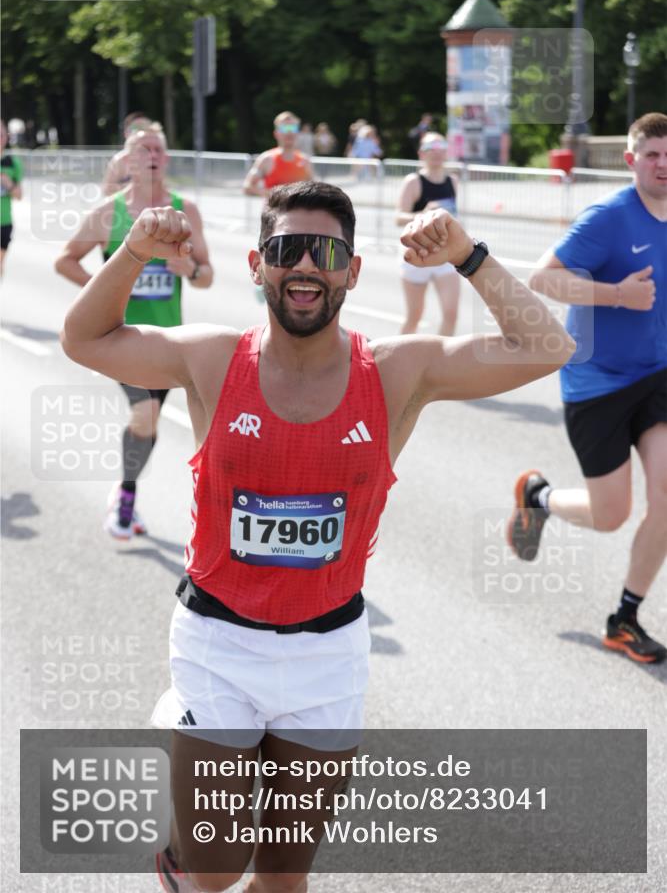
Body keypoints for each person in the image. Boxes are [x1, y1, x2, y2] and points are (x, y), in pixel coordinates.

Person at [60, 178, 572, 892]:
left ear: (351, 271)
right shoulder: (211, 357)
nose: (305, 265)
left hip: (327, 660)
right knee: (214, 873)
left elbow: (548, 348)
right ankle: (181, 852)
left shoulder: (397, 371)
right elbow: (84, 338)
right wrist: (131, 252)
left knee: (282, 876)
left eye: (324, 250)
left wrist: (467, 254)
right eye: (287, 249)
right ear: (258, 263)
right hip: (217, 647)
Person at [507, 111, 667, 664]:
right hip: (595, 381)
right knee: (611, 515)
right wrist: (618, 296)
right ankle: (540, 499)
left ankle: (624, 619)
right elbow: (542, 278)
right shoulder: (609, 217)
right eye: (652, 155)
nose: (663, 164)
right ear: (631, 161)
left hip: (656, 376)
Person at [55, 125, 213, 539]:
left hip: (169, 342)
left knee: (157, 424)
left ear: (167, 158)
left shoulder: (185, 210)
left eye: (158, 148)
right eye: (143, 148)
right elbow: (66, 260)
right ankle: (125, 499)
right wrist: (105, 293)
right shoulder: (110, 212)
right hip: (121, 338)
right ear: (129, 161)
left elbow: (207, 275)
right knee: (144, 415)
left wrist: (191, 269)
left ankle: (135, 490)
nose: (152, 154)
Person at [395, 132, 460, 335]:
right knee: (415, 316)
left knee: (451, 314)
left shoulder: (453, 181)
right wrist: (422, 214)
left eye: (440, 148)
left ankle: (442, 362)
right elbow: (398, 217)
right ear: (421, 154)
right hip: (416, 253)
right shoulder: (414, 181)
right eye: (430, 149)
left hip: (444, 253)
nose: (436, 153)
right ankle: (397, 361)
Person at [244, 111, 314, 200]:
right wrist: (276, 195)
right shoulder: (267, 159)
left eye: (293, 128)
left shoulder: (305, 161)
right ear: (276, 133)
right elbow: (247, 186)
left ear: (297, 133)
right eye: (284, 128)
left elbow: (314, 190)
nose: (289, 132)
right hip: (273, 213)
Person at [101, 112, 155, 196]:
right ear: (126, 133)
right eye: (136, 128)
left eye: (146, 128)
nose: (141, 132)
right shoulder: (119, 160)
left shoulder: (156, 157)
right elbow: (107, 191)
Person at [0, 118, 23, 278]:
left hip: (4, 222)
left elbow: (19, 196)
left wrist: (8, 184)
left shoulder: (12, 163)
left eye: (1, 135)